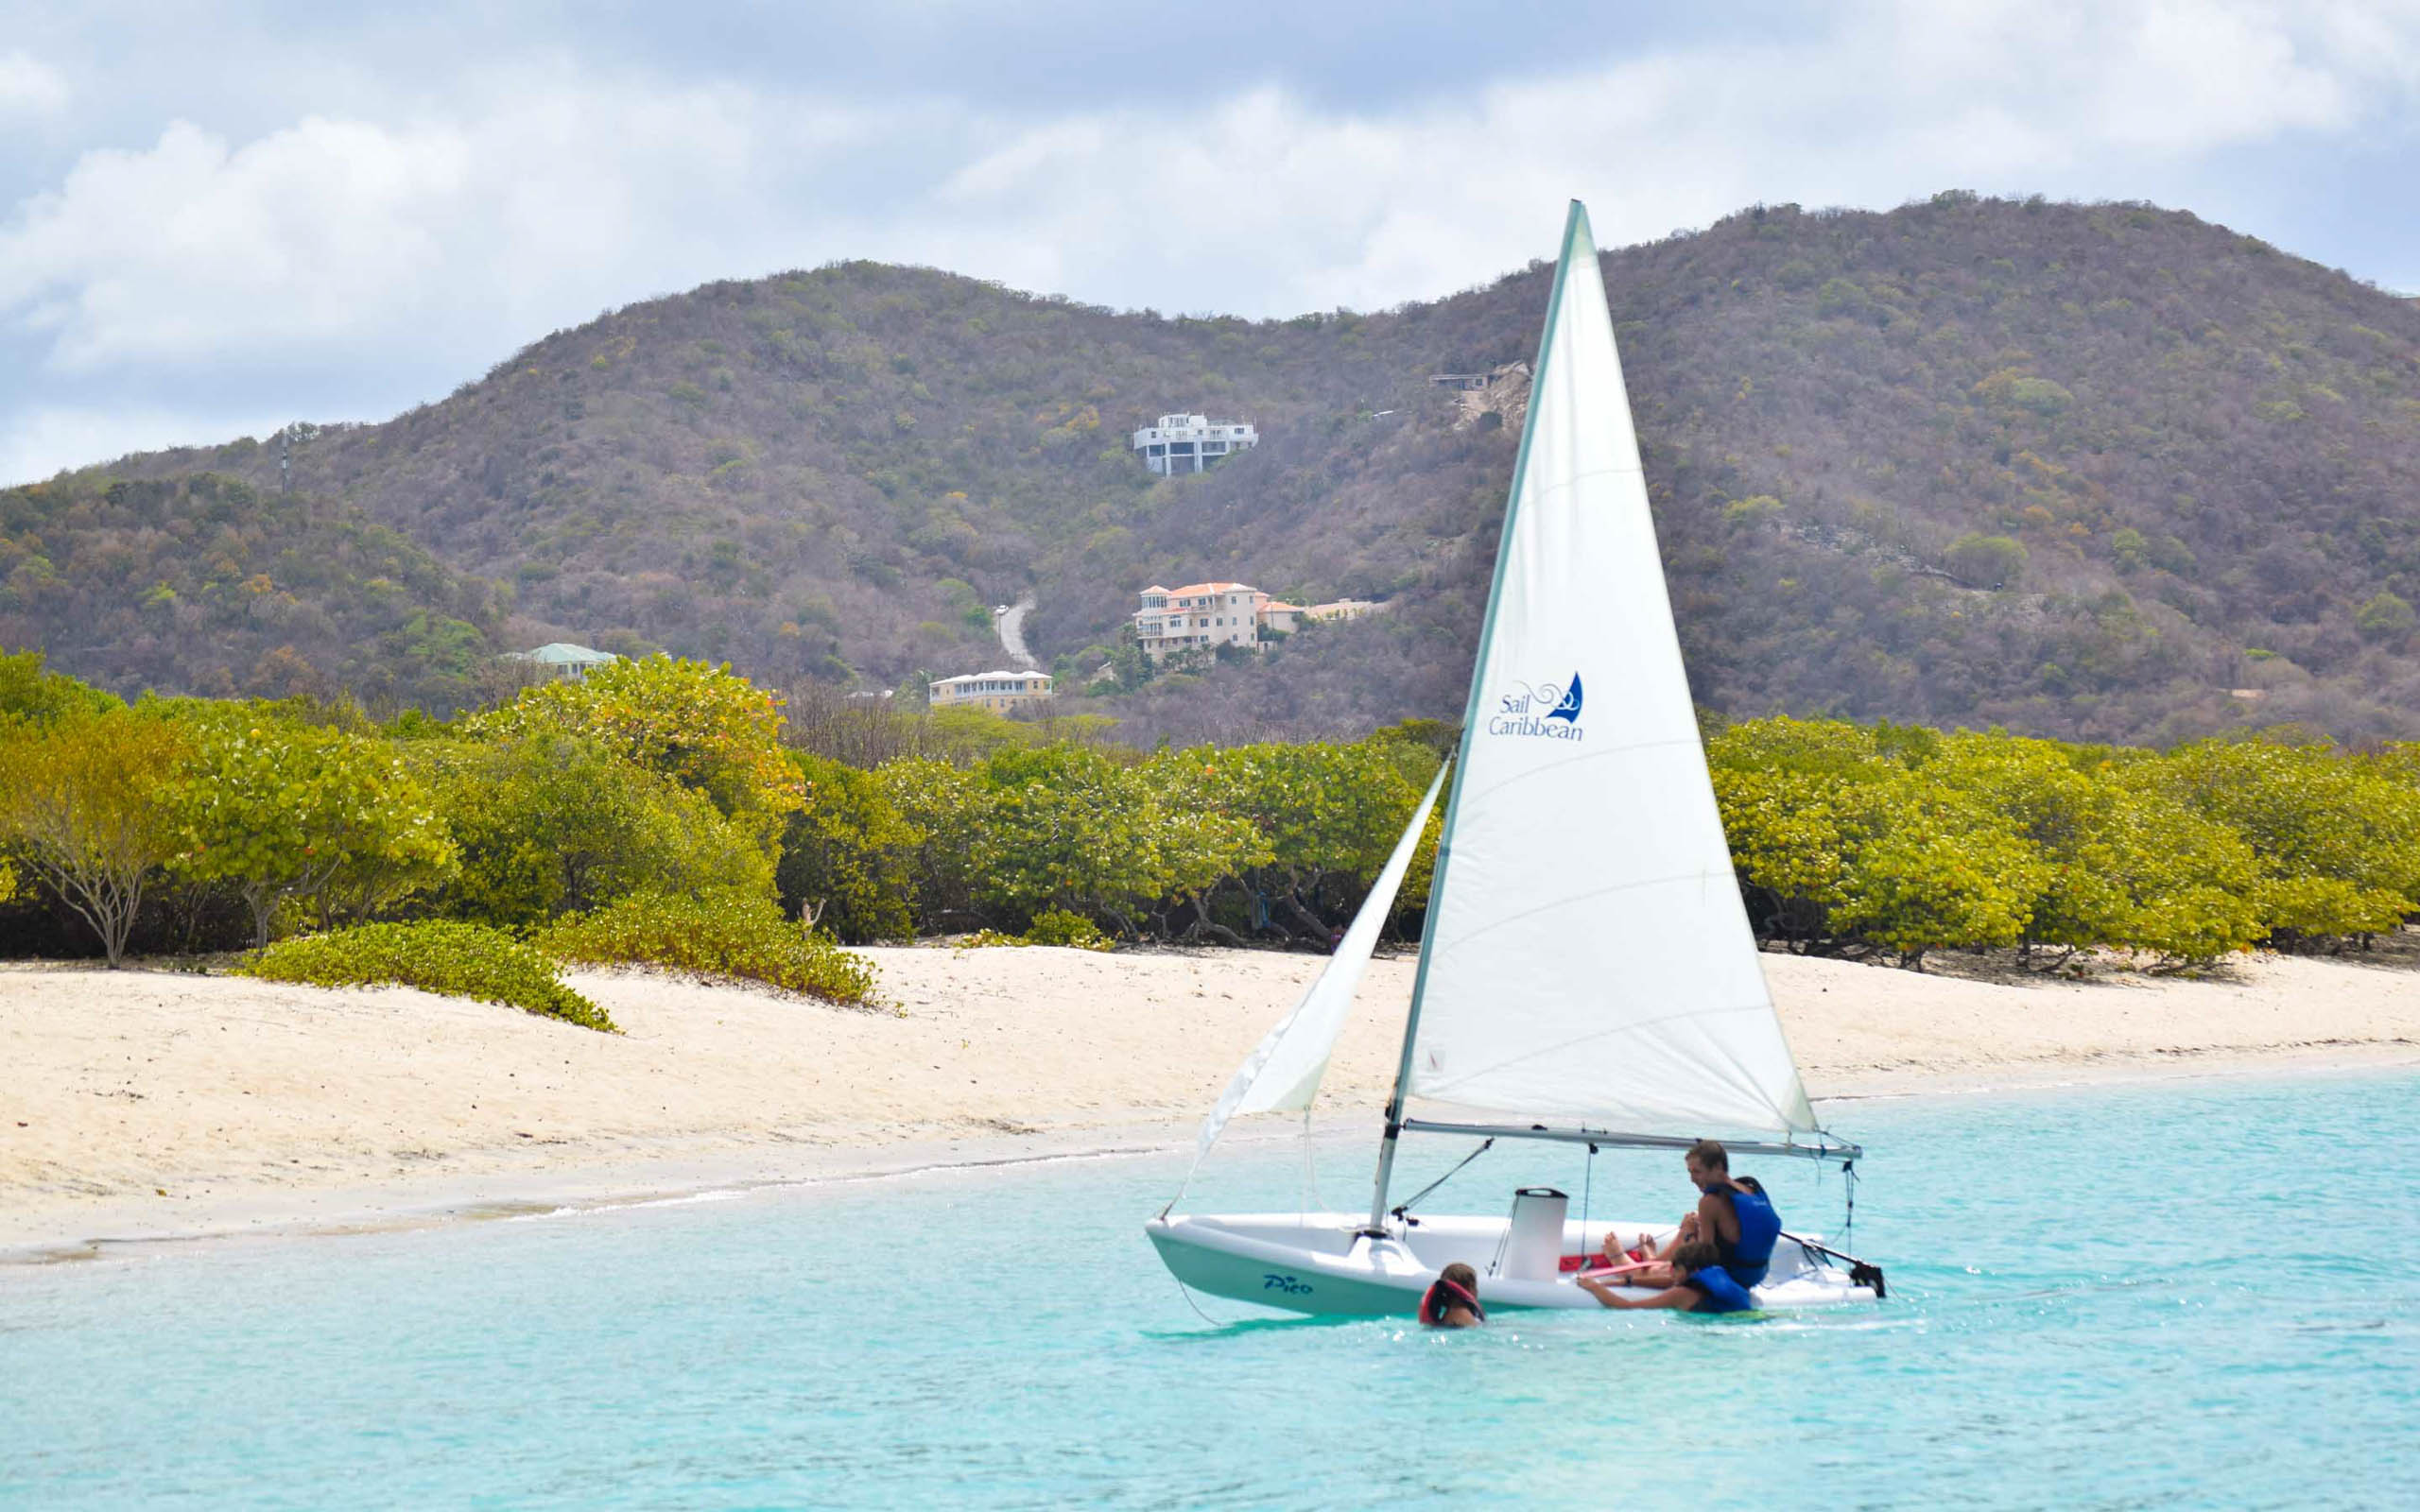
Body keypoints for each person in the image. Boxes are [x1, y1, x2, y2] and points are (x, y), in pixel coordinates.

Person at [1599, 1139, 1781, 1289]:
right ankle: (1652, 1259)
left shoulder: (1709, 1202)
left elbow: (1701, 1258)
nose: (1692, 1179)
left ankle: (1624, 1260)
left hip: (1730, 1278)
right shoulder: (1750, 1189)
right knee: (1692, 1231)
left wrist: (1687, 1233)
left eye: (1697, 1171)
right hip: (1755, 1275)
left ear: (1718, 1167)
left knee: (1683, 1253)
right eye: (1690, 1172)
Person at [1578, 1239, 1754, 1314]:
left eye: (1676, 1269)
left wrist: (1595, 1287)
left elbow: (1625, 1306)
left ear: (1693, 1271)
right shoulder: (1726, 1281)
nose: (1671, 1274)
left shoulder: (1680, 1293)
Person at [1420, 1262, 1485, 1328]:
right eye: (1475, 1286)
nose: (1477, 1290)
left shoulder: (1446, 1316)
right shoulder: (1464, 1315)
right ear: (1470, 1287)